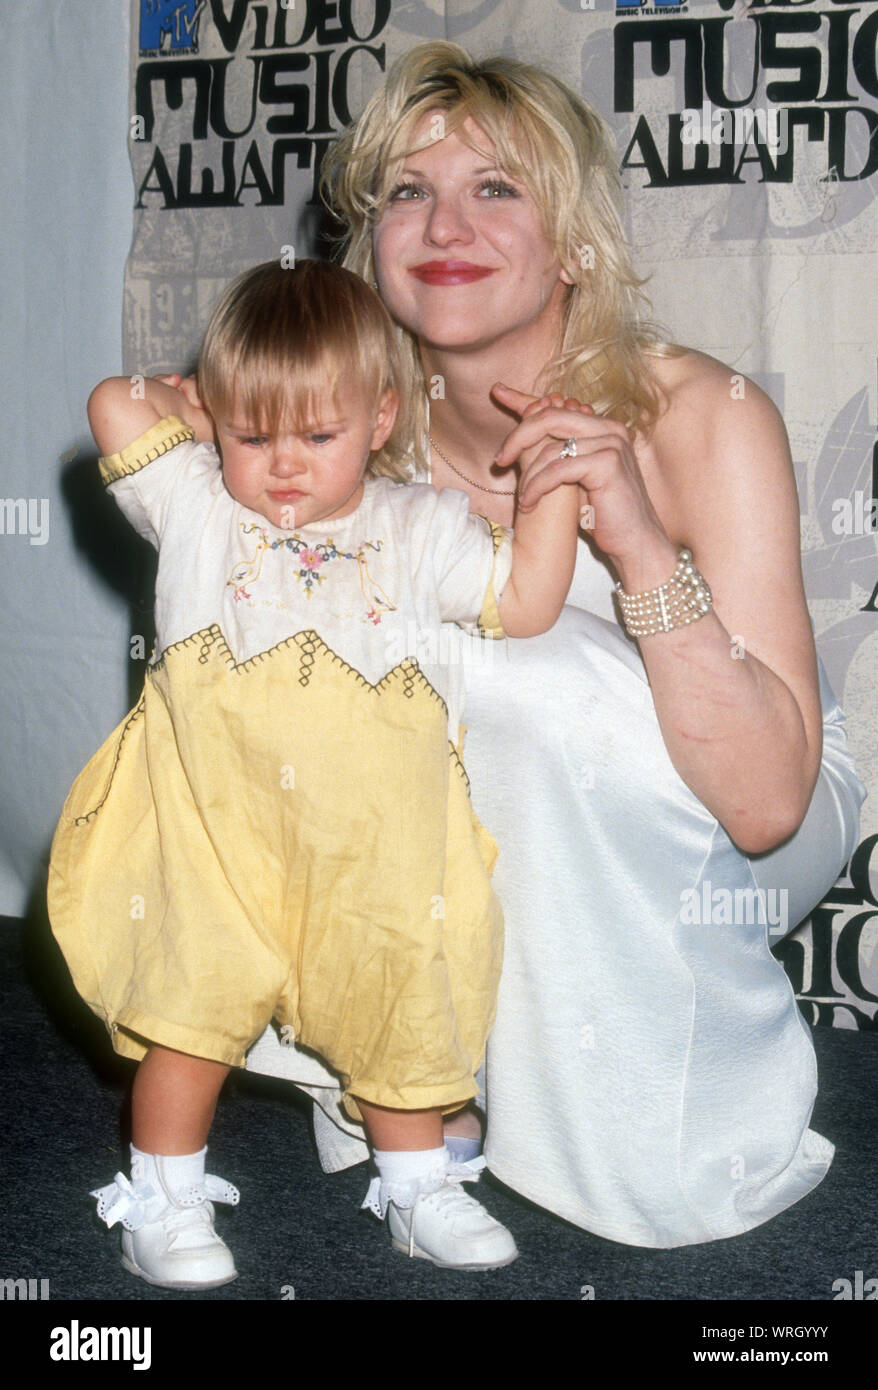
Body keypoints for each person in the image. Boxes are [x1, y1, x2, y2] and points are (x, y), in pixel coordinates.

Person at [244, 43, 866, 1249]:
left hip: (747, 798)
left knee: (511, 670)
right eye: (405, 193)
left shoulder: (696, 413)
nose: (442, 225)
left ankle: (655, 1116)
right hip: (503, 796)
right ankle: (423, 1073)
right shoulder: (347, 428)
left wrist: (634, 543)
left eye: (496, 189)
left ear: (574, 241)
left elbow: (764, 805)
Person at [47, 257, 582, 1287]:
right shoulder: (198, 509)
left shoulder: (416, 526)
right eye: (255, 435)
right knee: (187, 1016)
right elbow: (114, 404)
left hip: (372, 853)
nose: (283, 464)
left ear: (381, 416)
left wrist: (552, 478)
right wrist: (211, 404)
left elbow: (524, 602)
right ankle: (161, 1199)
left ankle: (418, 1183)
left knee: (399, 1011)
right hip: (215, 841)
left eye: (318, 434)